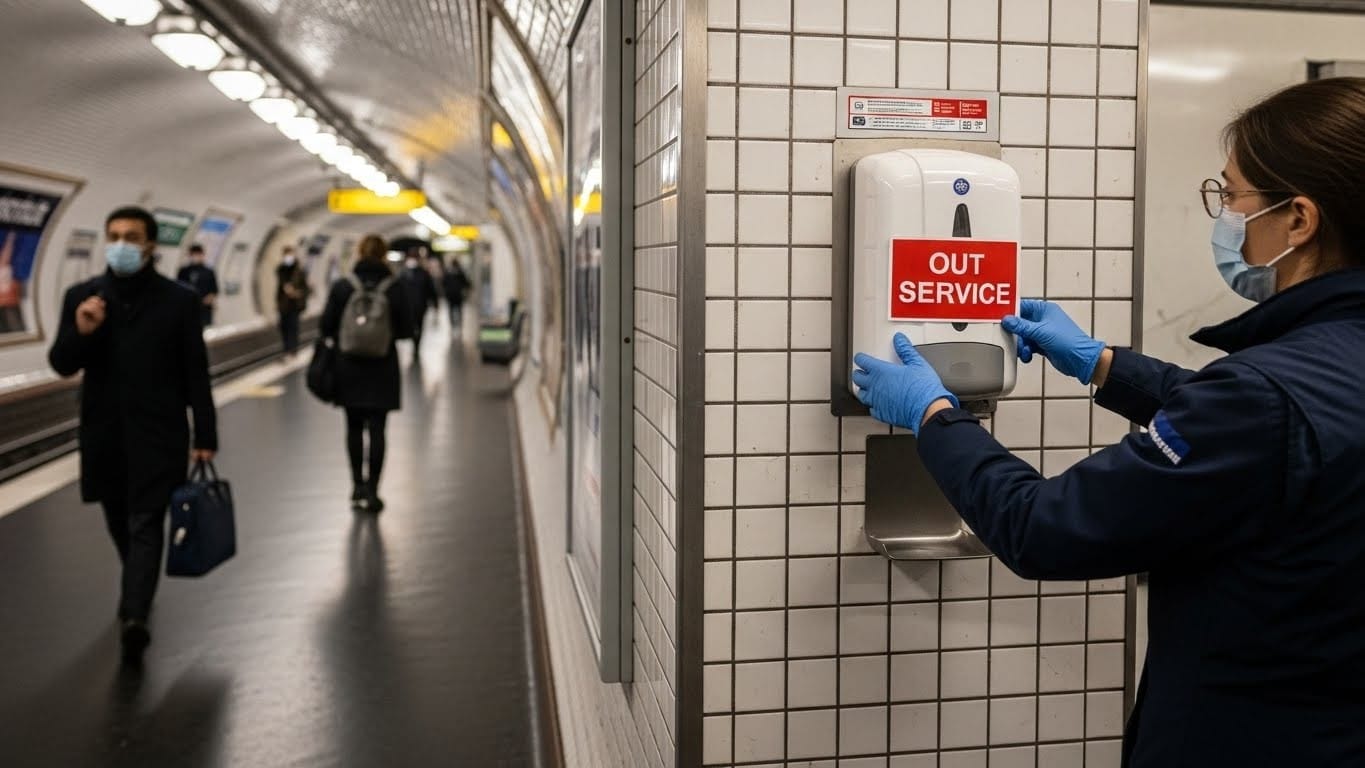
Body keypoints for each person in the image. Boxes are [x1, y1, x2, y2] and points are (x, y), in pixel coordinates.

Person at [853, 78, 1365, 766]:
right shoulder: (1304, 378)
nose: (1225, 214)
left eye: (1232, 194)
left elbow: (1043, 529)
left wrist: (934, 414)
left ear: (1298, 219)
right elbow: (1297, 434)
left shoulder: (1264, 395)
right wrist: (1104, 366)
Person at [48, 206, 217, 664]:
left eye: (131, 236)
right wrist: (82, 330)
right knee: (118, 521)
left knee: (146, 521)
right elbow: (62, 362)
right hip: (103, 432)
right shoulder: (84, 297)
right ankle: (136, 583)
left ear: (150, 245)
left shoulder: (178, 301)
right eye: (115, 235)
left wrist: (205, 434)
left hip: (160, 433)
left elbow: (195, 374)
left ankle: (134, 614)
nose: (121, 244)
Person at [320, 235, 413, 512]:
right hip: (382, 368)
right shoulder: (395, 288)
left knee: (353, 427)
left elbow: (326, 327)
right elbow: (407, 330)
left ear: (359, 253)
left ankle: (356, 486)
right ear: (384, 255)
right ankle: (373, 491)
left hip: (348, 367)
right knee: (378, 430)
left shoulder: (343, 286)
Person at [275, 246, 310, 358]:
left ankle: (293, 349)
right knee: (284, 327)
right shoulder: (280, 270)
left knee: (293, 326)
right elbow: (279, 288)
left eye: (290, 254)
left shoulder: (300, 271)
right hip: (283, 303)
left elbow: (306, 288)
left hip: (295, 304)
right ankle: (286, 349)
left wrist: (297, 293)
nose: (288, 257)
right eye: (286, 255)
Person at [400, 248, 438, 346]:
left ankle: (416, 346)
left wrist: (435, 303)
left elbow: (430, 289)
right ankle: (413, 341)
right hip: (407, 306)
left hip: (420, 306)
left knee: (419, 326)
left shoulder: (423, 273)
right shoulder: (403, 273)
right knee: (410, 326)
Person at [175, 243, 218, 328]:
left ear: (202, 255)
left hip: (205, 310)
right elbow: (178, 288)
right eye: (193, 254)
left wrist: (207, 299)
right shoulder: (184, 271)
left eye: (197, 254)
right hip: (187, 309)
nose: (195, 257)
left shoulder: (209, 272)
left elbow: (214, 290)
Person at [442, 258, 471, 328]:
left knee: (451, 309)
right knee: (459, 309)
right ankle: (459, 322)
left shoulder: (448, 273)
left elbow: (443, 283)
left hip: (450, 295)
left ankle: (452, 323)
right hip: (458, 295)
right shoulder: (460, 273)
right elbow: (466, 283)